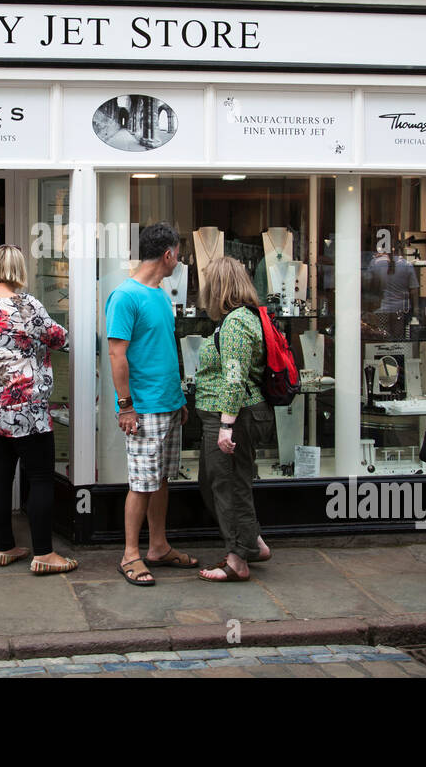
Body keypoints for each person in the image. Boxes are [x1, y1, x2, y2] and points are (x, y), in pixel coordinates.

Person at [0, 244, 77, 574]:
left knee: (0, 477)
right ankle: (44, 553)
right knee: (42, 477)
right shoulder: (26, 305)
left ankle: (5, 547)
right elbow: (59, 338)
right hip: (24, 405)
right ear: (19, 269)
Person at [107, 222, 199, 586]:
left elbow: (163, 350)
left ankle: (158, 546)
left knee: (160, 480)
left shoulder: (161, 294)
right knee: (141, 483)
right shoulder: (125, 297)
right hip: (142, 407)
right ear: (168, 254)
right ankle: (130, 554)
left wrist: (178, 400)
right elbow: (117, 355)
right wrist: (125, 406)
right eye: (178, 253)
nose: (180, 259)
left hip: (167, 404)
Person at [193, 256, 275, 582]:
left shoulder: (238, 322)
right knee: (218, 483)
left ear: (219, 287)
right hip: (229, 414)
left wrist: (226, 425)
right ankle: (251, 543)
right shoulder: (238, 319)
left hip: (232, 416)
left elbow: (234, 377)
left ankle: (237, 559)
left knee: (227, 486)